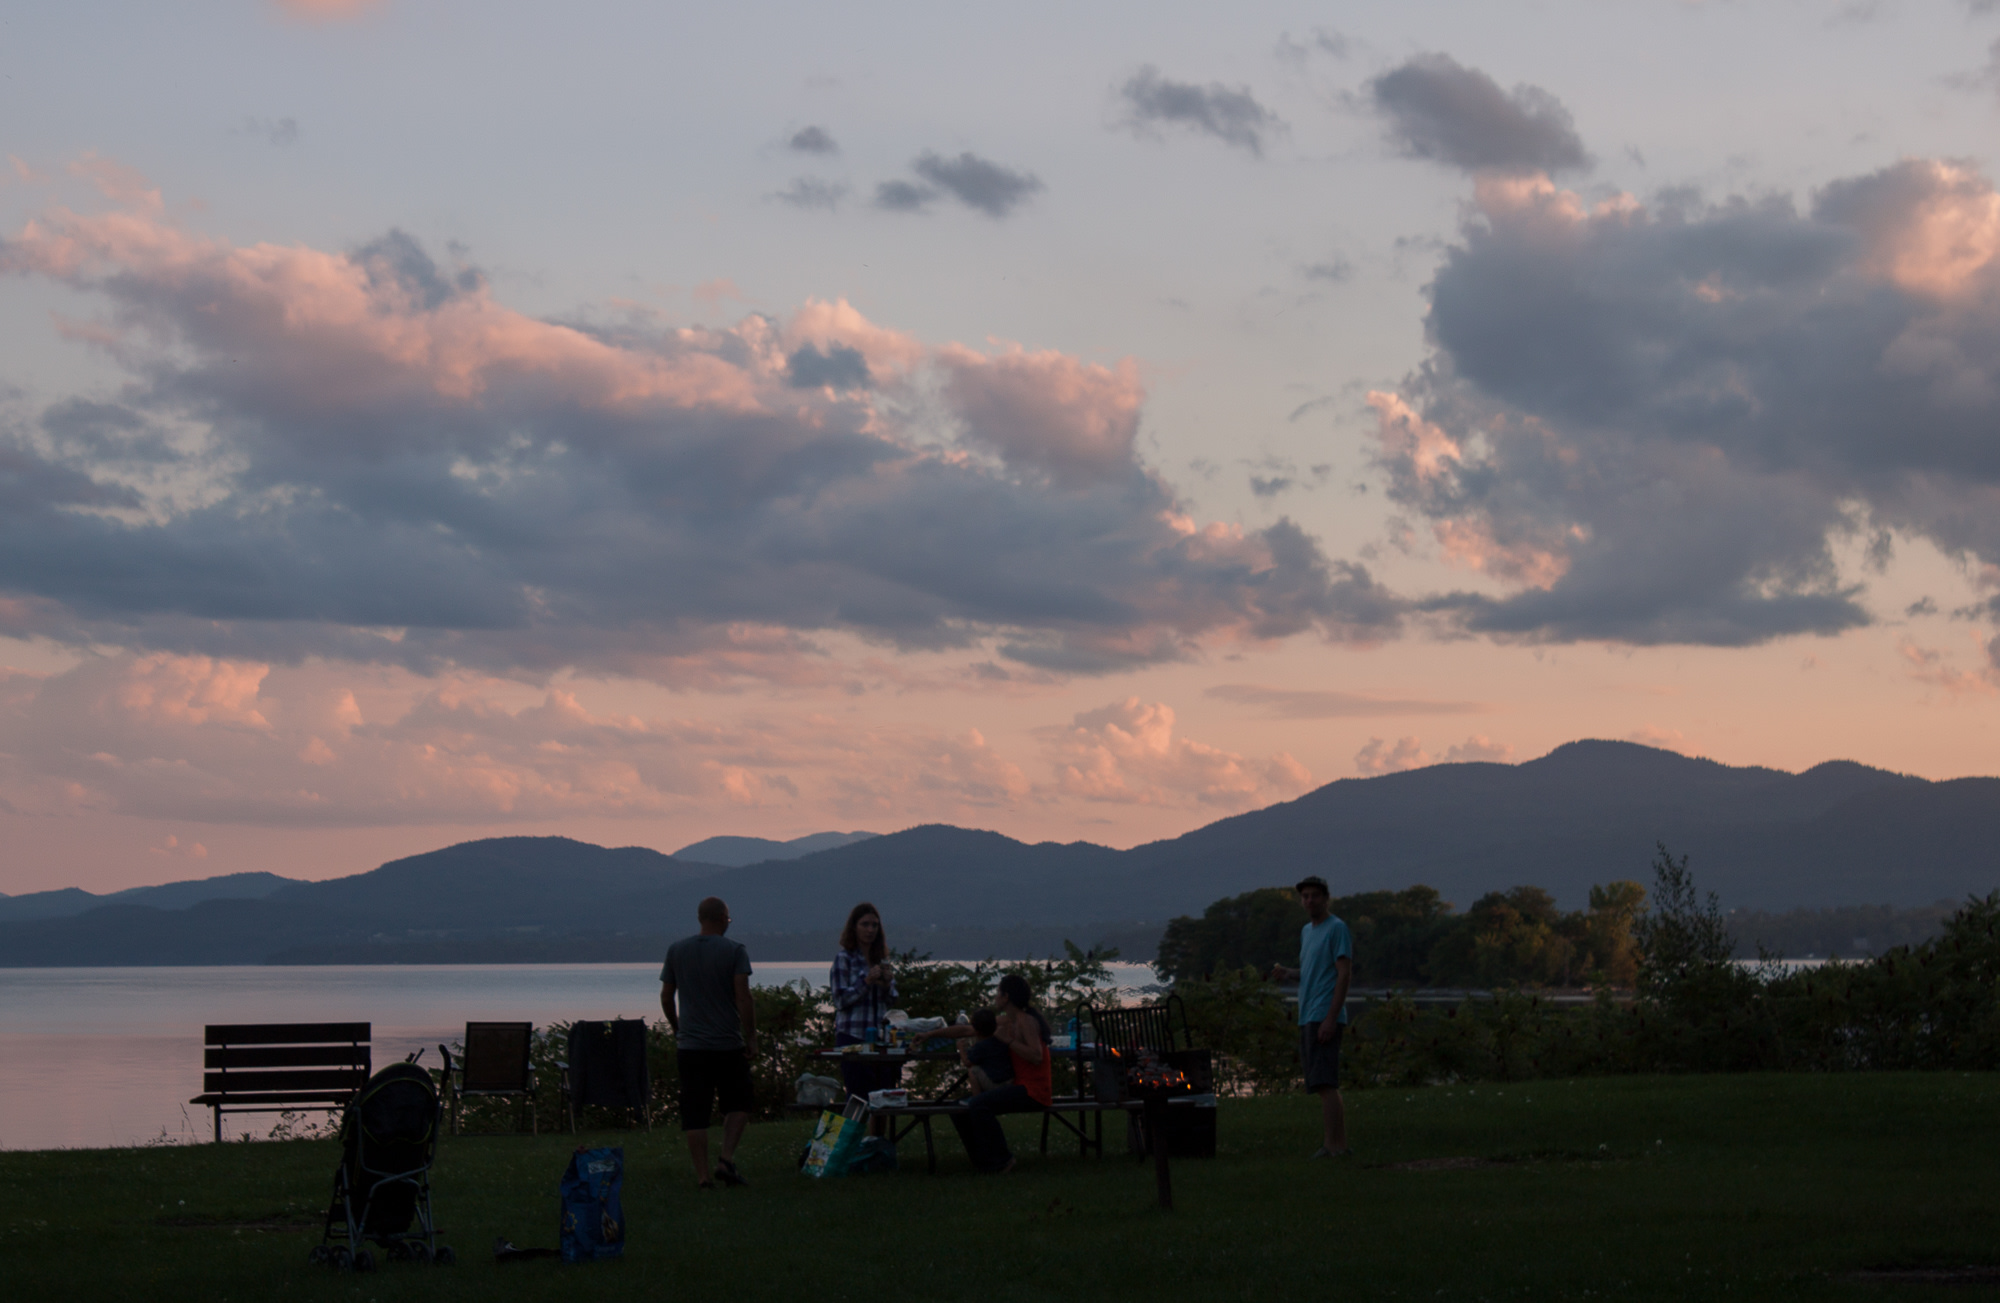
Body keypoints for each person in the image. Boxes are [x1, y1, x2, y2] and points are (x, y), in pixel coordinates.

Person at [661, 896, 757, 1190]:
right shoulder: (735, 951)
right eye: (728, 919)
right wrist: (750, 1036)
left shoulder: (677, 951)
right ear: (722, 919)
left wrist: (678, 1029)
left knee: (695, 1114)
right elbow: (743, 997)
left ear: (700, 918)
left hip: (690, 1047)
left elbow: (666, 997)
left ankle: (703, 1177)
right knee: (740, 1103)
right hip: (727, 1044)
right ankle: (725, 1159)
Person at [1269, 874, 1353, 1159]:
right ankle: (1333, 1144)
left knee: (1326, 1083)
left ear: (1325, 898)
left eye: (1314, 895)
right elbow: (1312, 974)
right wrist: (1290, 973)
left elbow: (1343, 974)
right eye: (1305, 896)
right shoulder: (1307, 932)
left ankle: (1335, 1147)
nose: (1309, 901)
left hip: (1323, 1015)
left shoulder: (1337, 928)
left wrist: (1331, 1018)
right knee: (1319, 1083)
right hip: (1307, 1014)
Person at [933, 973, 1051, 1174]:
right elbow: (968, 1030)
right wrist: (929, 1034)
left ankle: (1003, 1159)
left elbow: (1036, 1056)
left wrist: (1009, 1041)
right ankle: (984, 1161)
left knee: (979, 1103)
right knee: (957, 1108)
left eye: (998, 993)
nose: (995, 997)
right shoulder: (1007, 1020)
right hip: (1018, 1086)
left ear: (1006, 997)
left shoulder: (1025, 1021)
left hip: (1033, 1091)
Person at [830, 902, 901, 1108]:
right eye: (865, 924)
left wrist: (887, 984)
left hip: (880, 1039)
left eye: (874, 925)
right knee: (857, 1097)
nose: (870, 930)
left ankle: (876, 1139)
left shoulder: (881, 960)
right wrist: (866, 982)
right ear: (854, 927)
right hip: (852, 1037)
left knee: (883, 1097)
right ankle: (849, 1139)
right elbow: (840, 1000)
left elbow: (892, 1000)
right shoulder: (844, 959)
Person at [961, 1008, 1014, 1094]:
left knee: (973, 1071)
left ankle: (978, 1099)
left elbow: (967, 1063)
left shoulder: (981, 1046)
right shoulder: (1001, 1040)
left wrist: (961, 1049)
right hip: (1010, 1082)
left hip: (996, 1085)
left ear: (976, 1031)